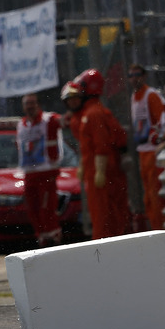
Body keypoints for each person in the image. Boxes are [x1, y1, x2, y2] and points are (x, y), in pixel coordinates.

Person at [73, 69, 130, 240]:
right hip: (98, 172)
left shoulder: (93, 114)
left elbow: (101, 145)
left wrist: (100, 171)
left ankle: (102, 250)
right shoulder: (92, 112)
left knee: (103, 216)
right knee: (103, 214)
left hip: (102, 175)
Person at [17, 94, 64, 248]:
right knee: (33, 210)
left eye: (32, 103)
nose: (30, 106)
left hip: (47, 172)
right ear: (23, 107)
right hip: (29, 173)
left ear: (38, 104)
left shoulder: (48, 119)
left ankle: (54, 239)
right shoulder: (21, 124)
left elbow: (64, 120)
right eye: (27, 104)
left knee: (47, 209)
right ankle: (42, 238)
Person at [128, 64, 165, 230]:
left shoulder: (151, 95)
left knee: (155, 194)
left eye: (137, 75)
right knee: (148, 197)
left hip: (153, 151)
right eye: (131, 75)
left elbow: (161, 123)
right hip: (142, 152)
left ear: (144, 77)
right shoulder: (134, 96)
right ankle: (155, 228)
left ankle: (162, 229)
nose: (134, 78)